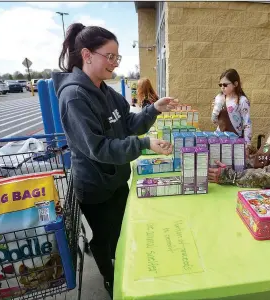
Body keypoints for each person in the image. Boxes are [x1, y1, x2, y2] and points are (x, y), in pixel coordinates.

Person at [52, 23, 178, 298]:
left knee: (120, 231)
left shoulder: (106, 91)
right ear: (87, 55)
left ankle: (118, 263)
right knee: (105, 238)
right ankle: (110, 278)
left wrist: (153, 109)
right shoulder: (74, 96)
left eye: (117, 57)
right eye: (109, 56)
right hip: (96, 186)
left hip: (117, 179)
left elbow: (129, 123)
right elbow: (98, 147)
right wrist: (145, 145)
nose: (114, 63)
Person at [211, 69, 252, 146]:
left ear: (235, 84)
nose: (222, 87)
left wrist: (247, 145)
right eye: (220, 85)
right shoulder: (219, 98)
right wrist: (215, 111)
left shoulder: (242, 101)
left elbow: (247, 124)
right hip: (219, 138)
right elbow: (215, 122)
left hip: (235, 141)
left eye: (225, 85)